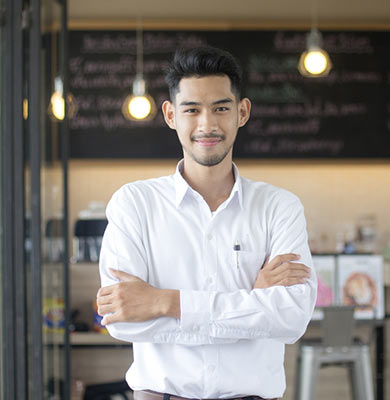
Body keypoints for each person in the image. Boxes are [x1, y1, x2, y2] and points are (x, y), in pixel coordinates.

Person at [96, 46, 317, 400]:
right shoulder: (134, 204)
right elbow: (122, 320)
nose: (207, 124)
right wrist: (251, 301)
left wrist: (164, 303)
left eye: (221, 108)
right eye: (192, 110)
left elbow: (291, 319)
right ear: (170, 115)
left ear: (242, 112)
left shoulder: (279, 207)